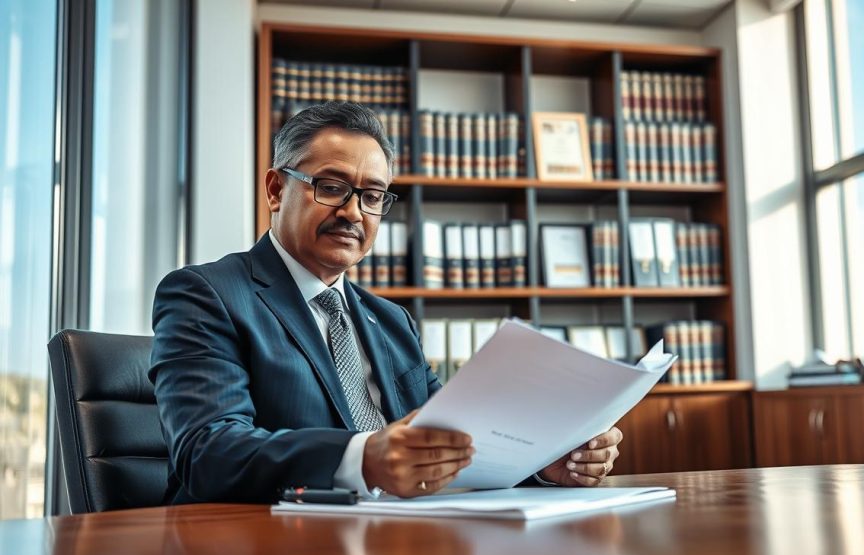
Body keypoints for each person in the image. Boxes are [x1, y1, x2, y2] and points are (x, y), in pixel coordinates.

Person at [150, 101, 623, 503]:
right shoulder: (206, 294)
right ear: (276, 190)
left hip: (400, 541)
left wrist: (545, 463)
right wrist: (362, 458)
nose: (354, 212)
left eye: (372, 195)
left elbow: (455, 442)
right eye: (331, 187)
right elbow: (207, 451)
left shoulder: (391, 320)